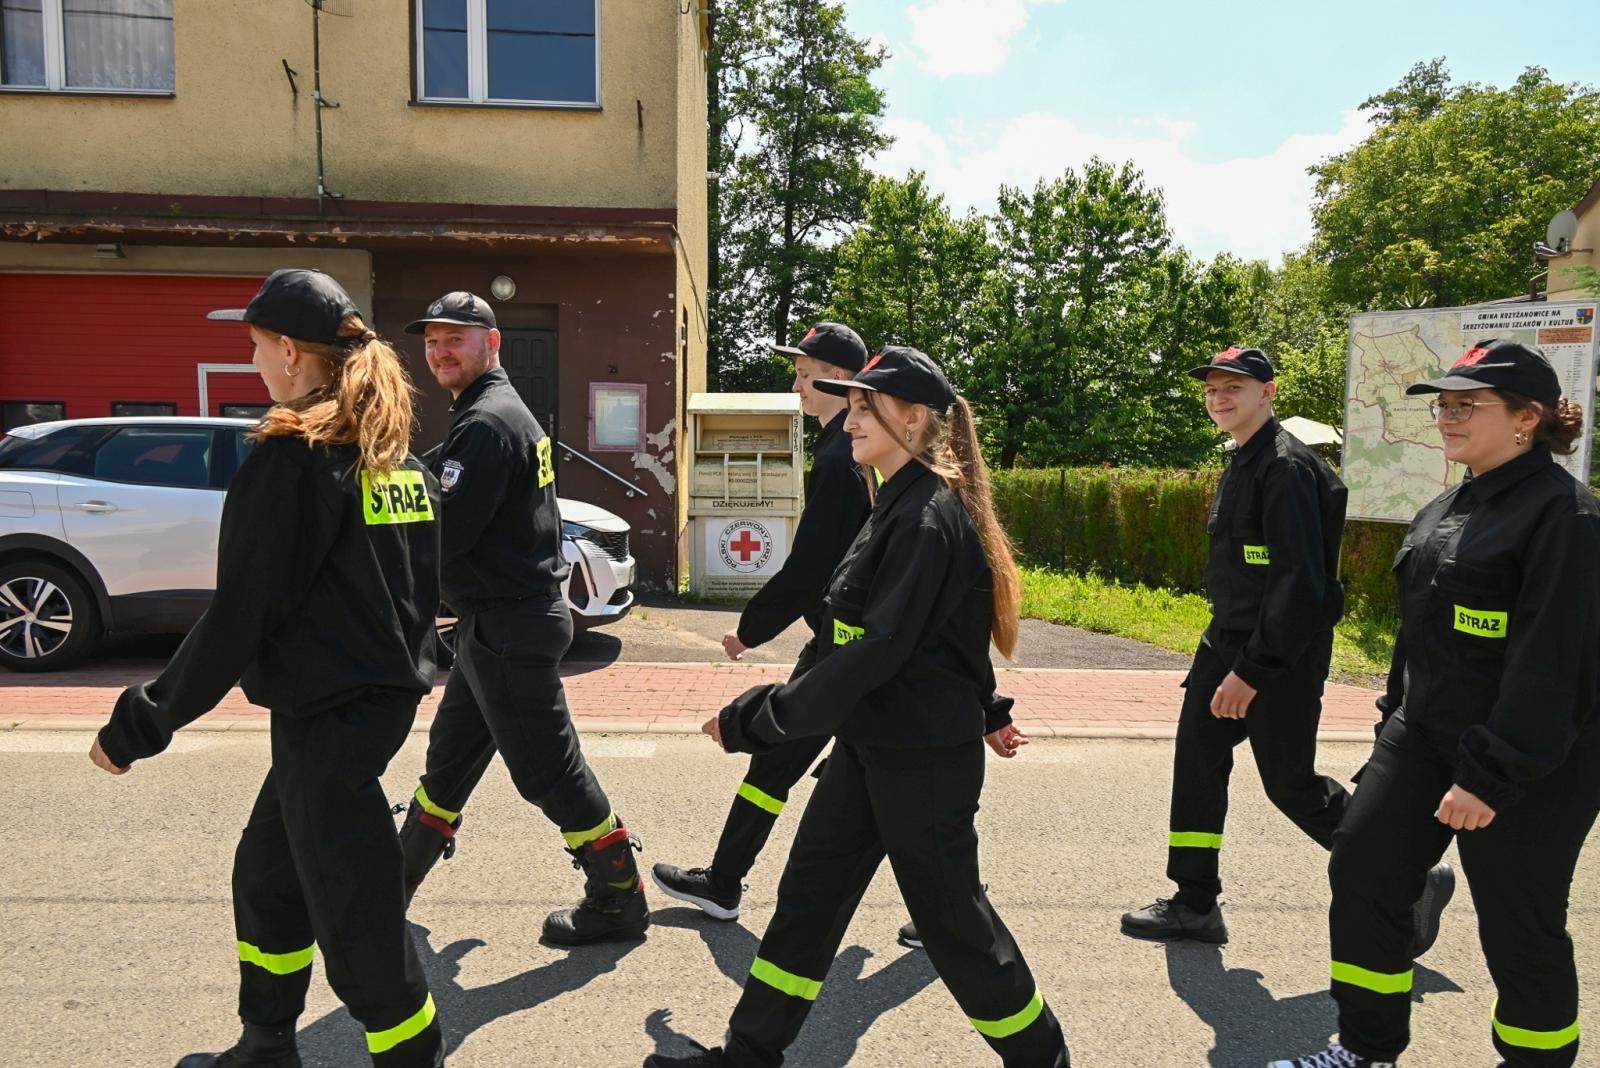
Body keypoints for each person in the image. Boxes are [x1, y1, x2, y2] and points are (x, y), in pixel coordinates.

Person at [645, 347, 1067, 1068]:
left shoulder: (927, 517)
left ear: (915, 417)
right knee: (809, 896)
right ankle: (748, 1053)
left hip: (922, 763)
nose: (851, 419)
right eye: (853, 404)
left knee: (955, 927)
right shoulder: (896, 499)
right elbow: (909, 640)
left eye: (868, 406)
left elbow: (875, 652)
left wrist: (757, 717)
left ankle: (1043, 1058)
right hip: (872, 749)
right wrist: (990, 706)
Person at [89, 268, 446, 1067]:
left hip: (331, 719)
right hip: (368, 709)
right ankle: (267, 1041)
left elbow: (241, 617)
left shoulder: (294, 460)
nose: (255, 368)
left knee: (359, 926)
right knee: (269, 876)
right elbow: (426, 596)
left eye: (256, 350)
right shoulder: (397, 461)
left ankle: (412, 1054)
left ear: (290, 352)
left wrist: (144, 720)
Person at [1273, 338, 1600, 1068]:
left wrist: (1490, 774)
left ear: (1527, 418)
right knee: (1363, 869)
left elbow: (1555, 663)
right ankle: (1366, 1048)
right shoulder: (1448, 504)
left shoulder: (1566, 518)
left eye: (1465, 404)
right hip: (1423, 738)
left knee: (1521, 927)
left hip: (1528, 761)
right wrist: (1394, 720)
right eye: (1442, 405)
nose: (1446, 417)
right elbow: (1419, 633)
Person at [1121, 346, 1454, 949]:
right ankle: (1195, 902)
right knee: (1197, 762)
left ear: (1268, 393)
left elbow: (1300, 585)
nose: (1220, 399)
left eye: (1234, 388)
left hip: (1278, 658)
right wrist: (1227, 655)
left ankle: (1410, 873)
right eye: (1212, 390)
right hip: (1226, 644)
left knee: (1290, 784)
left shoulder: (1287, 468)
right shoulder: (1243, 461)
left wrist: (1253, 669)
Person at [393, 291, 648, 945]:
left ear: (492, 343)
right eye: (433, 340)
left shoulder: (486, 422)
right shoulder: (487, 414)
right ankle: (391, 889)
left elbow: (444, 535)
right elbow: (436, 484)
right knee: (447, 766)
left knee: (550, 774)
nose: (441, 351)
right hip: (492, 628)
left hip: (508, 628)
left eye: (457, 338)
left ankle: (619, 898)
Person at [650, 322, 873, 922]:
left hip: (842, 647)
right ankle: (723, 881)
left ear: (844, 380)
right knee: (790, 762)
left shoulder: (839, 461)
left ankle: (953, 908)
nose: (797, 386)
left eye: (807, 375)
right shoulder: (844, 452)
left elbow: (811, 566)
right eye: (797, 374)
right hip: (841, 641)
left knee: (887, 784)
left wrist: (749, 630)